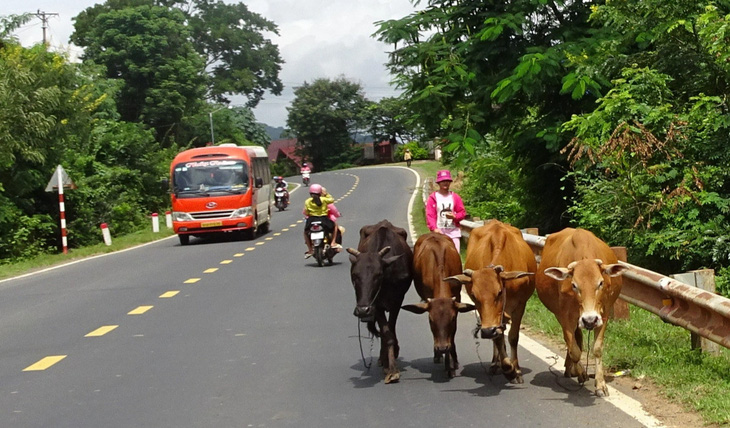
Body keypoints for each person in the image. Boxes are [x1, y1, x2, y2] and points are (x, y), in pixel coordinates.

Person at [426, 170, 466, 252]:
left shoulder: (455, 197)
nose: (445, 183)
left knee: (455, 257)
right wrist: (434, 228)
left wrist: (455, 217)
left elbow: (462, 212)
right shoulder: (433, 198)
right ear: (439, 183)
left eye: (447, 181)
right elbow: (430, 215)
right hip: (439, 233)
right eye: (443, 181)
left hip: (453, 232)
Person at [303, 184, 341, 258]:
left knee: (306, 232)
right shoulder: (323, 200)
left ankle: (310, 249)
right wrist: (326, 194)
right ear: (320, 192)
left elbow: (306, 212)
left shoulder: (307, 201)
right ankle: (333, 243)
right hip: (323, 219)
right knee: (335, 226)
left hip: (312, 220)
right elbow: (331, 200)